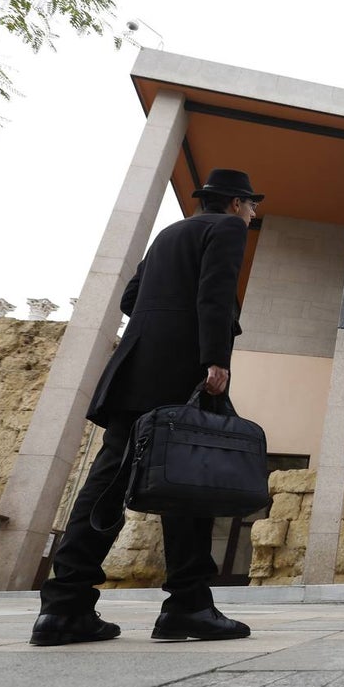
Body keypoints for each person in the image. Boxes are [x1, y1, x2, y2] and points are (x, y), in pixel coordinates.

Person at [30, 168, 260, 646]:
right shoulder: (228, 228)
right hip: (183, 371)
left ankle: (63, 608)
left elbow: (132, 297)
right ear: (236, 203)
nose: (253, 213)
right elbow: (215, 294)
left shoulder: (169, 233)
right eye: (252, 204)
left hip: (135, 368)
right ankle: (188, 606)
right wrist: (216, 358)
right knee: (192, 483)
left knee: (106, 484)